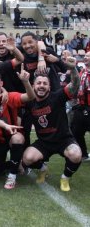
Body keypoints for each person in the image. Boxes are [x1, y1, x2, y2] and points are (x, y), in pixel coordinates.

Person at [23, 56, 81, 192]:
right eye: (38, 83)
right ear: (33, 86)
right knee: (27, 158)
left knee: (76, 154)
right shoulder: (29, 101)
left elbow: (75, 86)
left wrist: (72, 69)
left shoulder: (57, 97)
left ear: (49, 87)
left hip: (63, 140)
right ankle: (43, 169)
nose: (41, 86)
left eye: (44, 83)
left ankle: (65, 177)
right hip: (44, 142)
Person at [0, 68, 35, 189]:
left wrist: (26, 82)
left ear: (1, 83)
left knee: (17, 139)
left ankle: (12, 176)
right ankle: (13, 164)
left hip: (12, 137)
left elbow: (30, 97)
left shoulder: (10, 97)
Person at [71, 51, 90, 161]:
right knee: (76, 131)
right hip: (81, 106)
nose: (85, 57)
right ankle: (83, 154)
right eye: (85, 56)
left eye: (88, 56)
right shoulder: (82, 71)